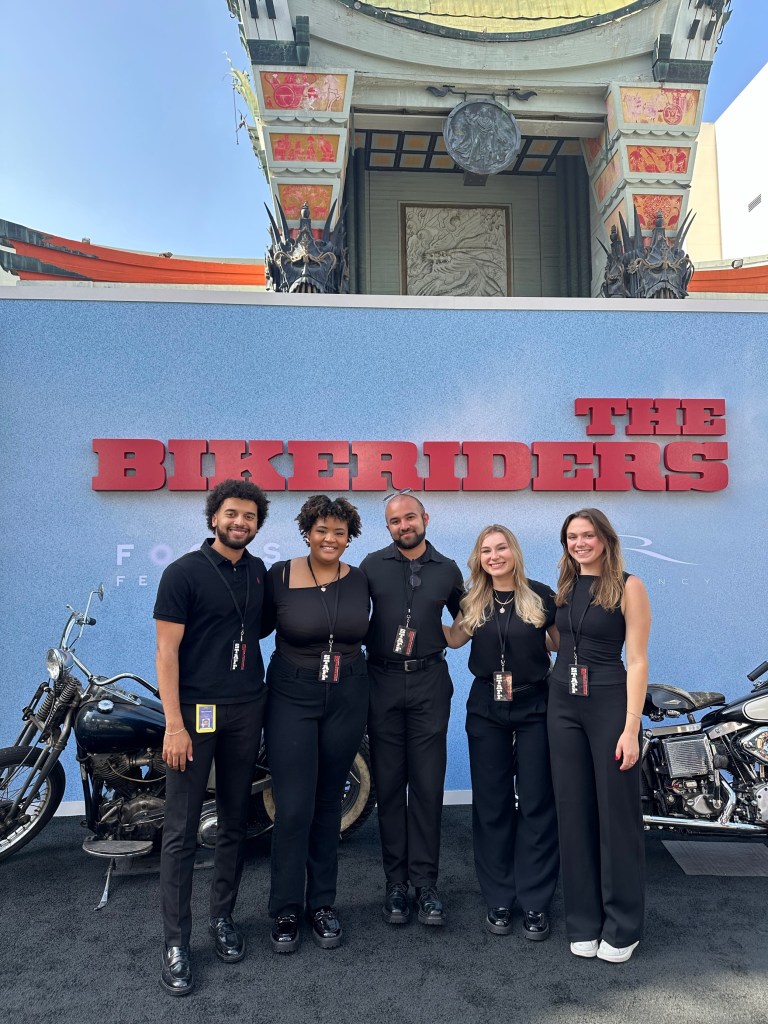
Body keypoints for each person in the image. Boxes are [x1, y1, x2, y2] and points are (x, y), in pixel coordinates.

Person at [154, 479, 270, 997]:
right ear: (214, 517)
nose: (239, 522)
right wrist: (174, 724)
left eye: (249, 516)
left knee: (234, 821)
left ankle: (223, 918)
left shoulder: (258, 572)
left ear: (257, 523)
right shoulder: (182, 573)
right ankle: (176, 942)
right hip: (195, 714)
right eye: (231, 513)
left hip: (247, 708)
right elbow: (166, 652)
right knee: (180, 830)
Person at [264, 495, 369, 953]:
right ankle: (286, 908)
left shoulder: (360, 579)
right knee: (293, 806)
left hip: (348, 693)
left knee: (329, 802)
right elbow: (249, 626)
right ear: (307, 532)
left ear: (349, 538)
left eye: (339, 532)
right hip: (292, 694)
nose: (330, 539)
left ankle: (322, 904)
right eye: (322, 530)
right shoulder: (279, 576)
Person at [443, 525, 560, 940]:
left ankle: (535, 900)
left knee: (536, 802)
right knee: (491, 804)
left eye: (501, 547)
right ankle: (498, 897)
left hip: (534, 705)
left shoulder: (541, 595)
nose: (494, 556)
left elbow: (559, 643)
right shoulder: (473, 599)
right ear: (479, 558)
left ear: (514, 551)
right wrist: (413, 614)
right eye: (486, 550)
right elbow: (454, 640)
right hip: (486, 708)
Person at [547, 508, 650, 964]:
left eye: (588, 535)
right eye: (572, 536)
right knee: (573, 813)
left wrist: (631, 727)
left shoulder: (629, 586)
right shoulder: (566, 587)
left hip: (609, 702)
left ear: (605, 539)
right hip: (562, 703)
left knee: (615, 816)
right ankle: (584, 920)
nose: (580, 543)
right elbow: (558, 640)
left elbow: (639, 660)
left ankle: (623, 926)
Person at [361, 492, 463, 926]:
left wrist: (443, 636)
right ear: (387, 527)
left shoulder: (448, 569)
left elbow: (466, 619)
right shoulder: (370, 565)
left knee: (426, 785)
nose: (403, 525)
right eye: (394, 521)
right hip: (380, 681)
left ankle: (426, 884)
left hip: (429, 682)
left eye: (409, 517)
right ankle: (396, 884)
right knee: (388, 786)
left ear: (425, 518)